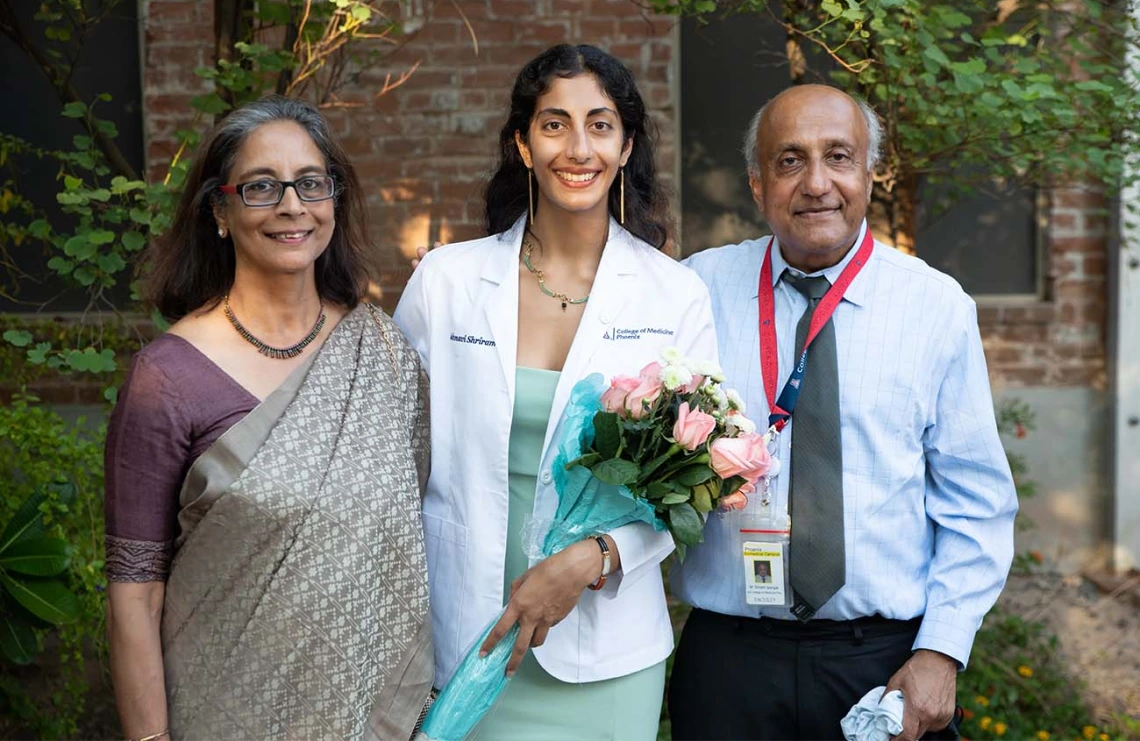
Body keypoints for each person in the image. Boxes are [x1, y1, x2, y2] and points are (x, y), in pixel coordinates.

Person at [668, 84, 1018, 741]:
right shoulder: (695, 292)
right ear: (756, 182)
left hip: (882, 663)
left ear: (870, 173)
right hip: (728, 664)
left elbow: (976, 502)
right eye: (790, 160)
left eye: (839, 157)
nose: (817, 183)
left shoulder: (936, 308)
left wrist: (941, 650)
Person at [393, 44, 717, 741]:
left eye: (600, 125)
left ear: (627, 145)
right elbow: (392, 464)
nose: (578, 147)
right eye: (554, 123)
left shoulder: (675, 293)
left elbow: (696, 478)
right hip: (467, 636)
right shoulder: (445, 284)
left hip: (605, 650)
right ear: (522, 142)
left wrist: (595, 556)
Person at [104, 95, 433, 741]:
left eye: (311, 183)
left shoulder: (385, 356)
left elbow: (406, 540)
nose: (292, 205)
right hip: (219, 713)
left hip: (372, 713)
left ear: (333, 199)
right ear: (221, 211)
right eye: (262, 187)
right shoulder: (168, 378)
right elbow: (134, 593)